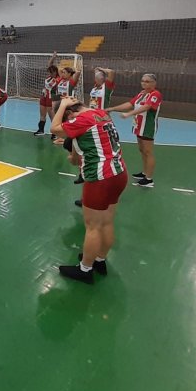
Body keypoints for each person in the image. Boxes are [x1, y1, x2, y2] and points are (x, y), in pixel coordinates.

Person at [50, 96, 127, 284]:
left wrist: (62, 105)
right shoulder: (100, 113)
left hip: (100, 178)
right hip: (119, 173)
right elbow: (80, 151)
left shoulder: (81, 119)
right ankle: (99, 260)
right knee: (107, 222)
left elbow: (54, 129)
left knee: (93, 227)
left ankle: (85, 269)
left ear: (69, 113)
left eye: (66, 117)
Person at [107, 73, 163, 188]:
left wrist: (129, 114)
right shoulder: (141, 94)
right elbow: (130, 104)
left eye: (147, 81)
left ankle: (149, 179)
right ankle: (144, 172)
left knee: (148, 151)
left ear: (154, 83)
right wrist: (113, 108)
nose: (144, 83)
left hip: (147, 127)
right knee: (142, 150)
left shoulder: (155, 94)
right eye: (142, 81)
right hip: (138, 125)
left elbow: (146, 107)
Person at [52, 63, 81, 145]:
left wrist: (73, 69)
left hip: (69, 104)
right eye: (62, 72)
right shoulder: (61, 80)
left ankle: (71, 138)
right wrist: (63, 70)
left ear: (69, 74)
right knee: (60, 120)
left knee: (69, 121)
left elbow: (78, 73)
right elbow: (59, 70)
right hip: (61, 103)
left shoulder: (71, 82)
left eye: (65, 73)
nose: (62, 74)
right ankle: (60, 138)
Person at [34, 52, 59, 137]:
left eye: (51, 72)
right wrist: (53, 57)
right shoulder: (49, 77)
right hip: (44, 96)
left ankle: (54, 133)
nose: (50, 74)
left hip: (51, 98)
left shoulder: (58, 79)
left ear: (55, 72)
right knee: (42, 114)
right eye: (49, 72)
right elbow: (49, 65)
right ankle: (41, 130)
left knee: (51, 116)